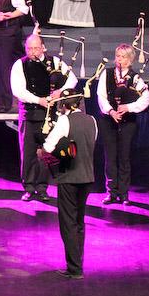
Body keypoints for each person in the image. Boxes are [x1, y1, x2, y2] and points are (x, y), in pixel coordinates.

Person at [11, 34, 77, 201]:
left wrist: (60, 92)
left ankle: (42, 188)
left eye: (36, 48)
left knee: (46, 152)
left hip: (49, 115)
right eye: (29, 48)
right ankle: (28, 187)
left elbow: (73, 79)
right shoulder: (20, 65)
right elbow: (18, 90)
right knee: (28, 153)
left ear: (43, 47)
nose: (32, 52)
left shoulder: (54, 62)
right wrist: (38, 100)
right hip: (29, 113)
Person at [40, 91, 97, 280]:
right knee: (79, 222)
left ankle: (74, 268)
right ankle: (77, 262)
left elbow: (48, 147)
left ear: (65, 106)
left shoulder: (65, 121)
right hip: (87, 177)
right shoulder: (92, 120)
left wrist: (45, 152)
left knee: (68, 223)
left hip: (70, 177)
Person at [96, 44, 149, 205]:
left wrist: (128, 108)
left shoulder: (135, 78)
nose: (120, 60)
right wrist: (111, 111)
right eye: (118, 56)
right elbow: (101, 96)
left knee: (124, 158)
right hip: (109, 120)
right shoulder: (107, 74)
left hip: (127, 122)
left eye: (124, 57)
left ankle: (124, 193)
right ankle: (111, 191)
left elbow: (145, 98)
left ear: (131, 59)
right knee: (110, 157)